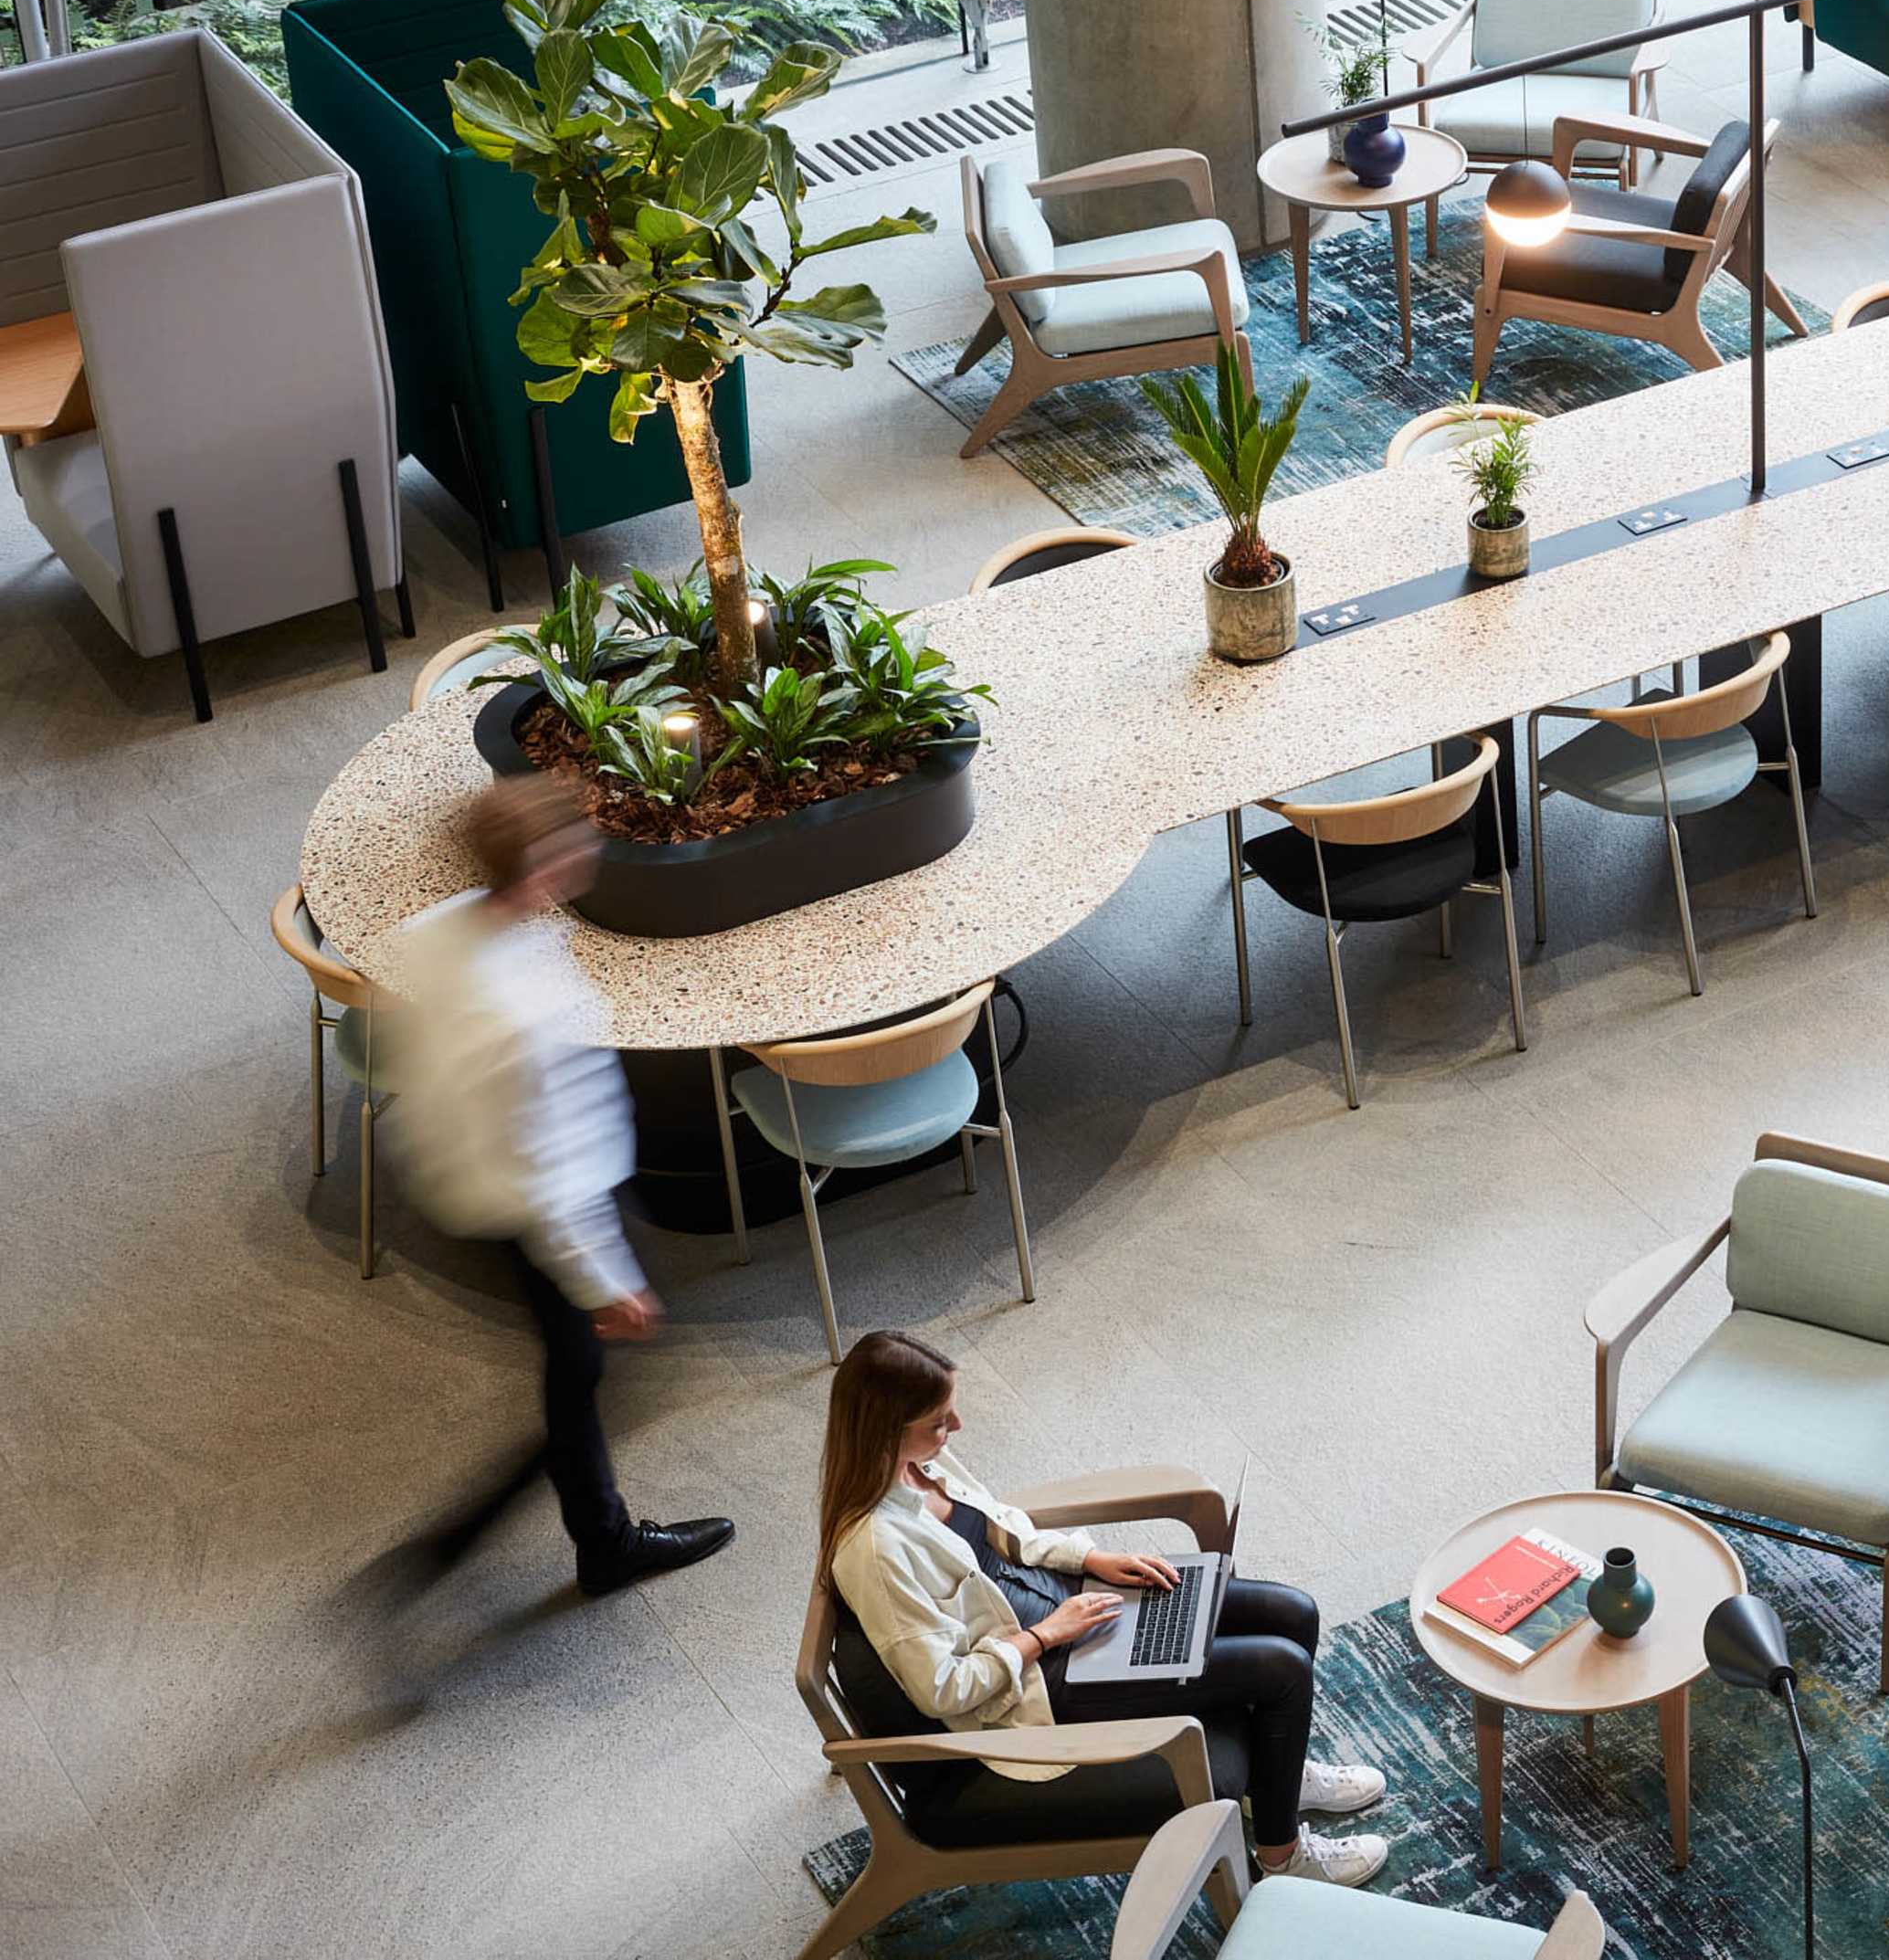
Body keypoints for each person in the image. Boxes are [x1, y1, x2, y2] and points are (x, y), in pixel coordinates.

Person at [818, 1330, 1394, 1886]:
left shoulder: (920, 1466)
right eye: (940, 1421)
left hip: (1077, 1610)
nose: (957, 1427)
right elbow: (942, 1690)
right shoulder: (875, 1551)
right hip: (1043, 1685)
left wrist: (1093, 1558)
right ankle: (1281, 1855)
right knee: (1281, 1670)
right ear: (886, 1430)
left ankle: (1272, 1782)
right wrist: (1046, 1635)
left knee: (1293, 1612)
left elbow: (1007, 1532)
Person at [385, 775, 734, 1595]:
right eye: (573, 841)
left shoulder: (444, 931)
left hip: (469, 1180)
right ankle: (587, 1542)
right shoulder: (521, 1011)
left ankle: (568, 1535)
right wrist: (606, 1279)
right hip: (534, 1199)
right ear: (539, 865)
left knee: (577, 1366)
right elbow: (548, 1166)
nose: (589, 849)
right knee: (584, 1368)